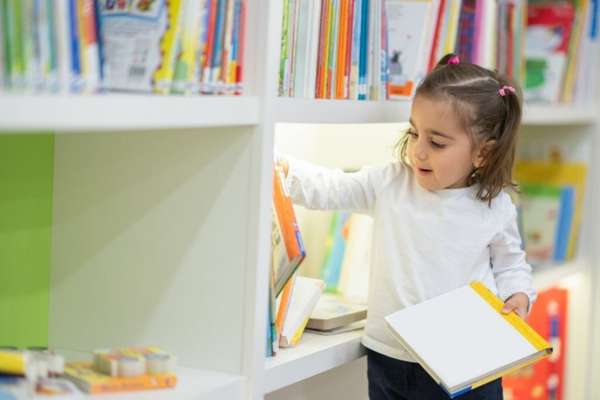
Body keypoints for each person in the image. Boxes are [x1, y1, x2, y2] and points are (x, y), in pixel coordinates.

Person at [277, 53, 535, 399]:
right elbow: (333, 187)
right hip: (390, 357)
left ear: (483, 154)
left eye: (437, 142)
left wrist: (518, 296)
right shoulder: (391, 183)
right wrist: (283, 171)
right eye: (414, 134)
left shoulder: (493, 205)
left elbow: (511, 264)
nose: (419, 151)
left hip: (468, 363)